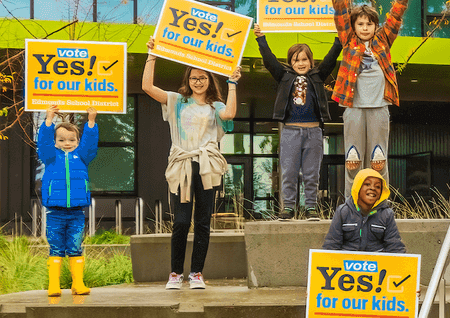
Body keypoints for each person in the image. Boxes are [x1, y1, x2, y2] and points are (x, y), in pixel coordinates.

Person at [142, 44, 240, 290]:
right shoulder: (176, 100)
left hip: (206, 165)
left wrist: (233, 84)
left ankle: (197, 273)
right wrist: (152, 57)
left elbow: (228, 114)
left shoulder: (214, 105)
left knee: (203, 221)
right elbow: (147, 87)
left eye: (203, 78)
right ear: (188, 79)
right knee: (182, 221)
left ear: (209, 80)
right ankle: (175, 273)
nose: (198, 82)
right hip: (183, 164)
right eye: (194, 77)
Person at [328, 0, 422, 183]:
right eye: (360, 24)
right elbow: (340, 12)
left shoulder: (383, 40)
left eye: (369, 24)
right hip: (354, 106)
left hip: (379, 105)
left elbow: (397, 13)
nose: (364, 28)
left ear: (375, 26)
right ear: (354, 26)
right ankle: (352, 205)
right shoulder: (348, 40)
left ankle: (380, 204)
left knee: (378, 158)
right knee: (353, 158)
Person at [321, 168, 407, 318]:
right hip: (346, 277)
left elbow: (395, 247)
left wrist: (407, 281)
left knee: (386, 311)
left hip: (377, 277)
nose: (373, 189)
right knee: (341, 311)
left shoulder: (386, 214)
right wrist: (319, 283)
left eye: (378, 187)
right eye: (368, 185)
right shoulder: (342, 211)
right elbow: (331, 246)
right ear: (358, 187)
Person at [256, 33, 341, 219]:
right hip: (291, 132)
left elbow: (331, 58)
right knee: (289, 172)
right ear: (290, 63)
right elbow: (270, 61)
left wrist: (339, 39)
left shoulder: (318, 75)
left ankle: (311, 208)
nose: (301, 63)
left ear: (311, 61)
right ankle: (288, 207)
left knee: (312, 174)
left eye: (304, 59)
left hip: (314, 132)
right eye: (296, 60)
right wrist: (261, 39)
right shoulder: (284, 76)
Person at [35, 106, 98, 298]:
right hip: (55, 212)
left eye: (72, 140)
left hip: (76, 212)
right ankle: (53, 284)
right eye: (61, 140)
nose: (67, 143)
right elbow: (43, 143)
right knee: (56, 247)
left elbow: (90, 143)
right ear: (55, 142)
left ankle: (77, 283)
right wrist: (48, 120)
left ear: (78, 141)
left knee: (75, 246)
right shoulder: (51, 157)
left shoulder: (82, 157)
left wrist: (91, 121)